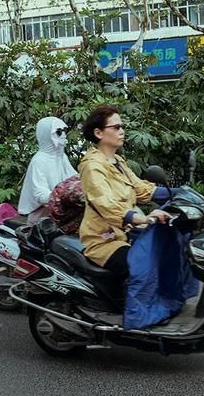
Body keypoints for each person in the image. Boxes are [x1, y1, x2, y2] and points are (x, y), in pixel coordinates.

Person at [78, 105, 171, 280]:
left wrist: (178, 193)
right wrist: (141, 218)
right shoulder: (92, 167)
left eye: (122, 127)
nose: (122, 131)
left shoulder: (117, 161)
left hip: (127, 234)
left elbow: (141, 189)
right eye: (116, 127)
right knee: (143, 266)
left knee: (165, 255)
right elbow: (105, 203)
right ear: (99, 133)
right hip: (105, 241)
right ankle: (131, 308)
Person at [18, 116, 77, 226]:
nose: (63, 135)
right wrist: (61, 196)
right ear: (46, 135)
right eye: (58, 132)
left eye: (64, 131)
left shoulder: (62, 157)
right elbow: (40, 194)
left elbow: (73, 178)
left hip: (62, 215)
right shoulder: (39, 161)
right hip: (42, 219)